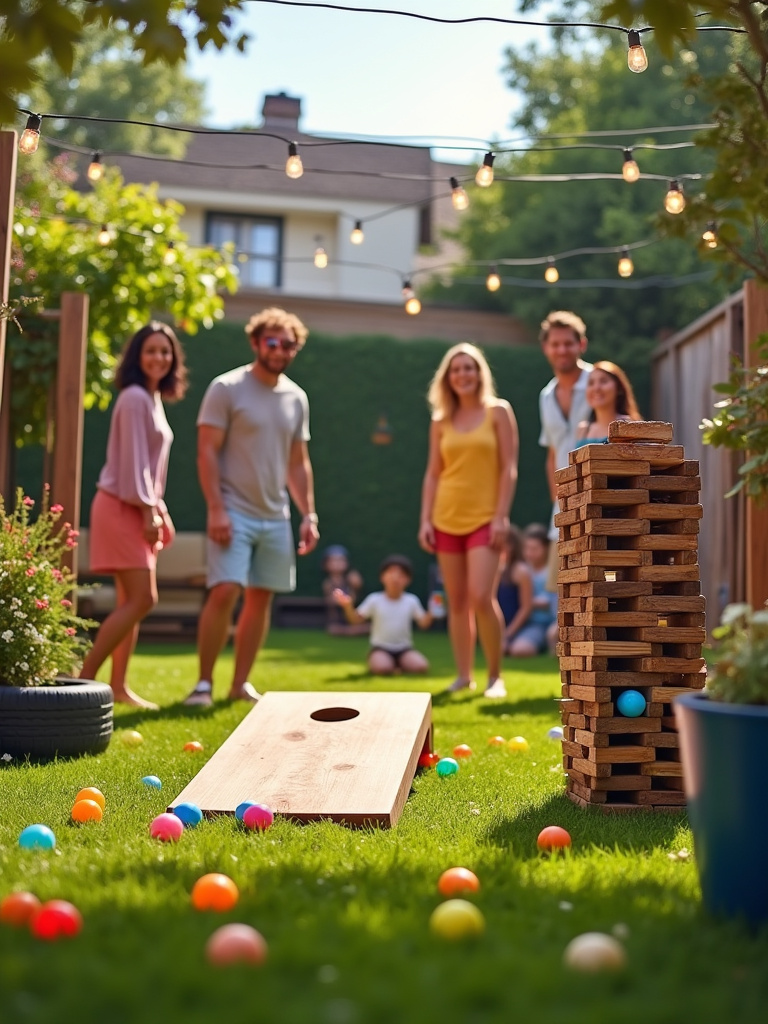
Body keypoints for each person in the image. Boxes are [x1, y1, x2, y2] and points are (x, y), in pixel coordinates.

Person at [183, 307, 319, 706]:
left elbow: (298, 462)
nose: (279, 350)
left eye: (288, 344)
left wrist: (308, 513)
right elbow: (206, 452)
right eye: (272, 341)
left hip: (276, 515)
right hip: (232, 510)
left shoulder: (297, 397)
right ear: (256, 342)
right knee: (225, 590)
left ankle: (239, 684)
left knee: (261, 597)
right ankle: (204, 683)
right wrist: (216, 509)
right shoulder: (226, 388)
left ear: (295, 348)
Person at [80, 322, 187, 708]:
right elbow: (133, 466)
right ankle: (84, 679)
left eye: (165, 351)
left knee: (132, 600)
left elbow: (148, 467)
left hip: (138, 506)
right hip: (121, 507)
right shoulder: (134, 398)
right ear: (136, 356)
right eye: (151, 350)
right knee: (143, 598)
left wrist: (160, 510)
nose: (159, 357)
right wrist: (147, 510)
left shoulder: (151, 399)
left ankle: (119, 687)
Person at [418, 342, 519, 698]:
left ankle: (495, 676)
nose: (463, 374)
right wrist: (425, 520)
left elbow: (509, 467)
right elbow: (433, 473)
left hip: (485, 519)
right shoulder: (440, 421)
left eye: (469, 367)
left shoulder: (499, 412)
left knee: (481, 596)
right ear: (448, 377)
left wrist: (501, 516)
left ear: (480, 373)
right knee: (456, 601)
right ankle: (464, 676)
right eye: (457, 369)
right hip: (446, 517)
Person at [538, 311, 593, 592]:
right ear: (546, 348)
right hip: (562, 509)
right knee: (564, 592)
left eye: (568, 343)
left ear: (581, 344)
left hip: (599, 501)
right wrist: (558, 500)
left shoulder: (599, 381)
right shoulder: (545, 395)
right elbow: (551, 453)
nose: (562, 349)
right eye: (555, 344)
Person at [332, 554, 432, 675]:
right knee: (382, 668)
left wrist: (432, 611)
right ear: (382, 577)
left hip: (404, 649)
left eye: (401, 575)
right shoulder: (374, 599)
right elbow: (355, 620)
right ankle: (382, 661)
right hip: (380, 648)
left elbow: (423, 623)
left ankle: (397, 663)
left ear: (408, 580)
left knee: (421, 666)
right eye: (391, 573)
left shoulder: (412, 600)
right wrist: (347, 606)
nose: (395, 578)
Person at [505, 523, 558, 657]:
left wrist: (526, 602)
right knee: (516, 650)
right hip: (531, 624)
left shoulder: (550, 572)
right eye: (526, 548)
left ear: (546, 548)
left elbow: (549, 601)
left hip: (551, 622)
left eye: (534, 549)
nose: (529, 553)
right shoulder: (523, 571)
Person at [575, 360, 642, 445]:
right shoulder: (583, 430)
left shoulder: (630, 426)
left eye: (603, 381)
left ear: (619, 389)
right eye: (591, 383)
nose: (596, 388)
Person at [497, 524, 534, 654]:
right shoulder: (493, 570)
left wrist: (507, 634)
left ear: (511, 546)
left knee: (518, 650)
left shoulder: (521, 571)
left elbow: (526, 608)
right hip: (499, 627)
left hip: (520, 628)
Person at [321, 544, 366, 636]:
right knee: (334, 629)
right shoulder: (328, 583)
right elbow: (331, 601)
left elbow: (354, 596)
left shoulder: (350, 579)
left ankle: (352, 630)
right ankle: (350, 631)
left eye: (341, 560)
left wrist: (356, 585)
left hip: (352, 617)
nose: (337, 563)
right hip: (337, 622)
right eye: (333, 561)